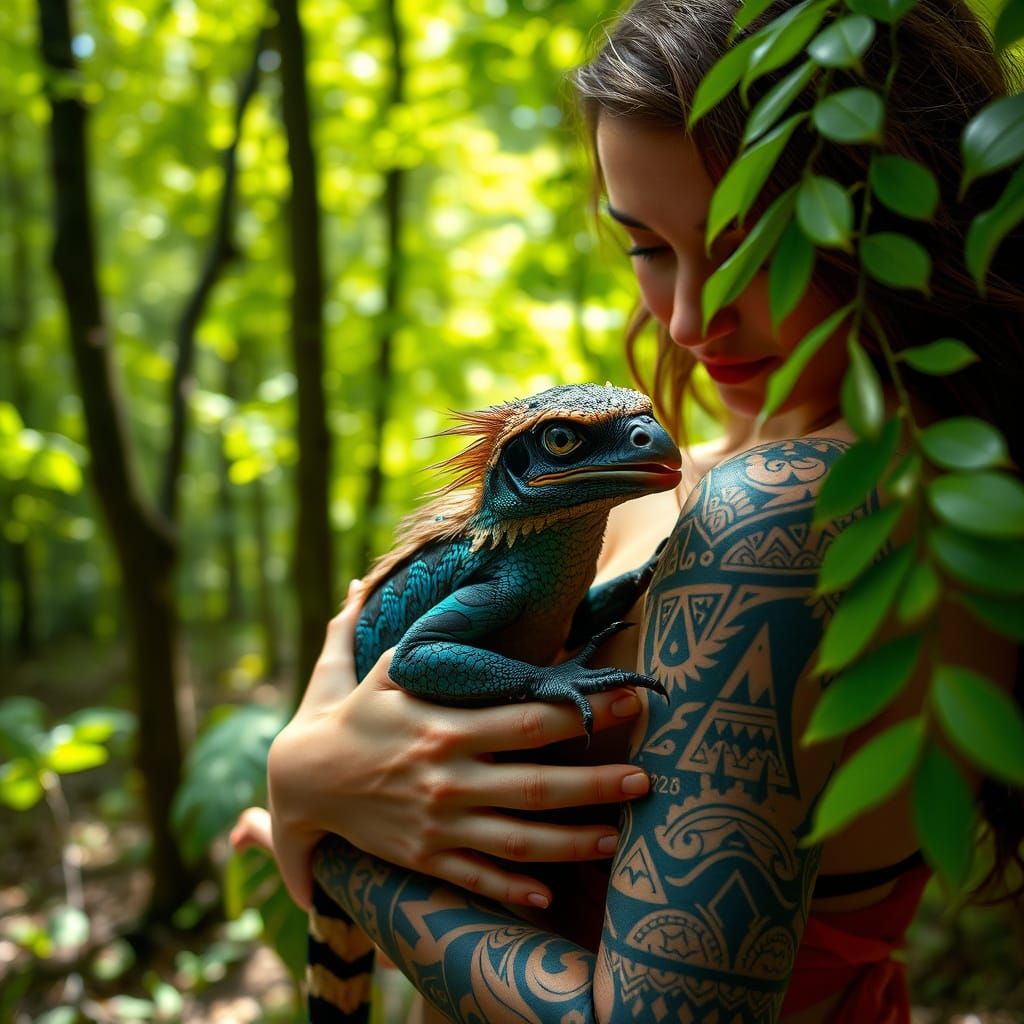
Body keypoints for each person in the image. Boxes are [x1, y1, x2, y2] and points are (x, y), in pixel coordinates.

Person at [243, 0, 1024, 1020]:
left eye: (754, 248)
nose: (693, 319)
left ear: (902, 219)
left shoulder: (782, 516)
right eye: (647, 247)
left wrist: (320, 831)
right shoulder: (648, 492)